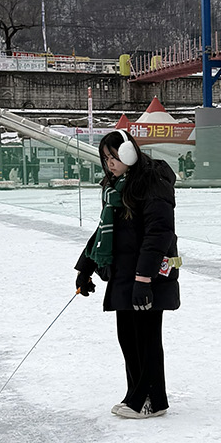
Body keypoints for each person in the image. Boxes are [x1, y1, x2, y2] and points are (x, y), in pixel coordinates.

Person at [74, 130, 180, 420]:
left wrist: (144, 279)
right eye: (105, 158)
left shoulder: (152, 182)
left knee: (146, 337)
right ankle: (137, 394)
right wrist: (86, 268)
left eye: (115, 156)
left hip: (147, 275)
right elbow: (104, 231)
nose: (110, 163)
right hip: (124, 272)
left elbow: (159, 233)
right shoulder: (115, 187)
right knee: (128, 337)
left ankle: (150, 400)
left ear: (130, 153)